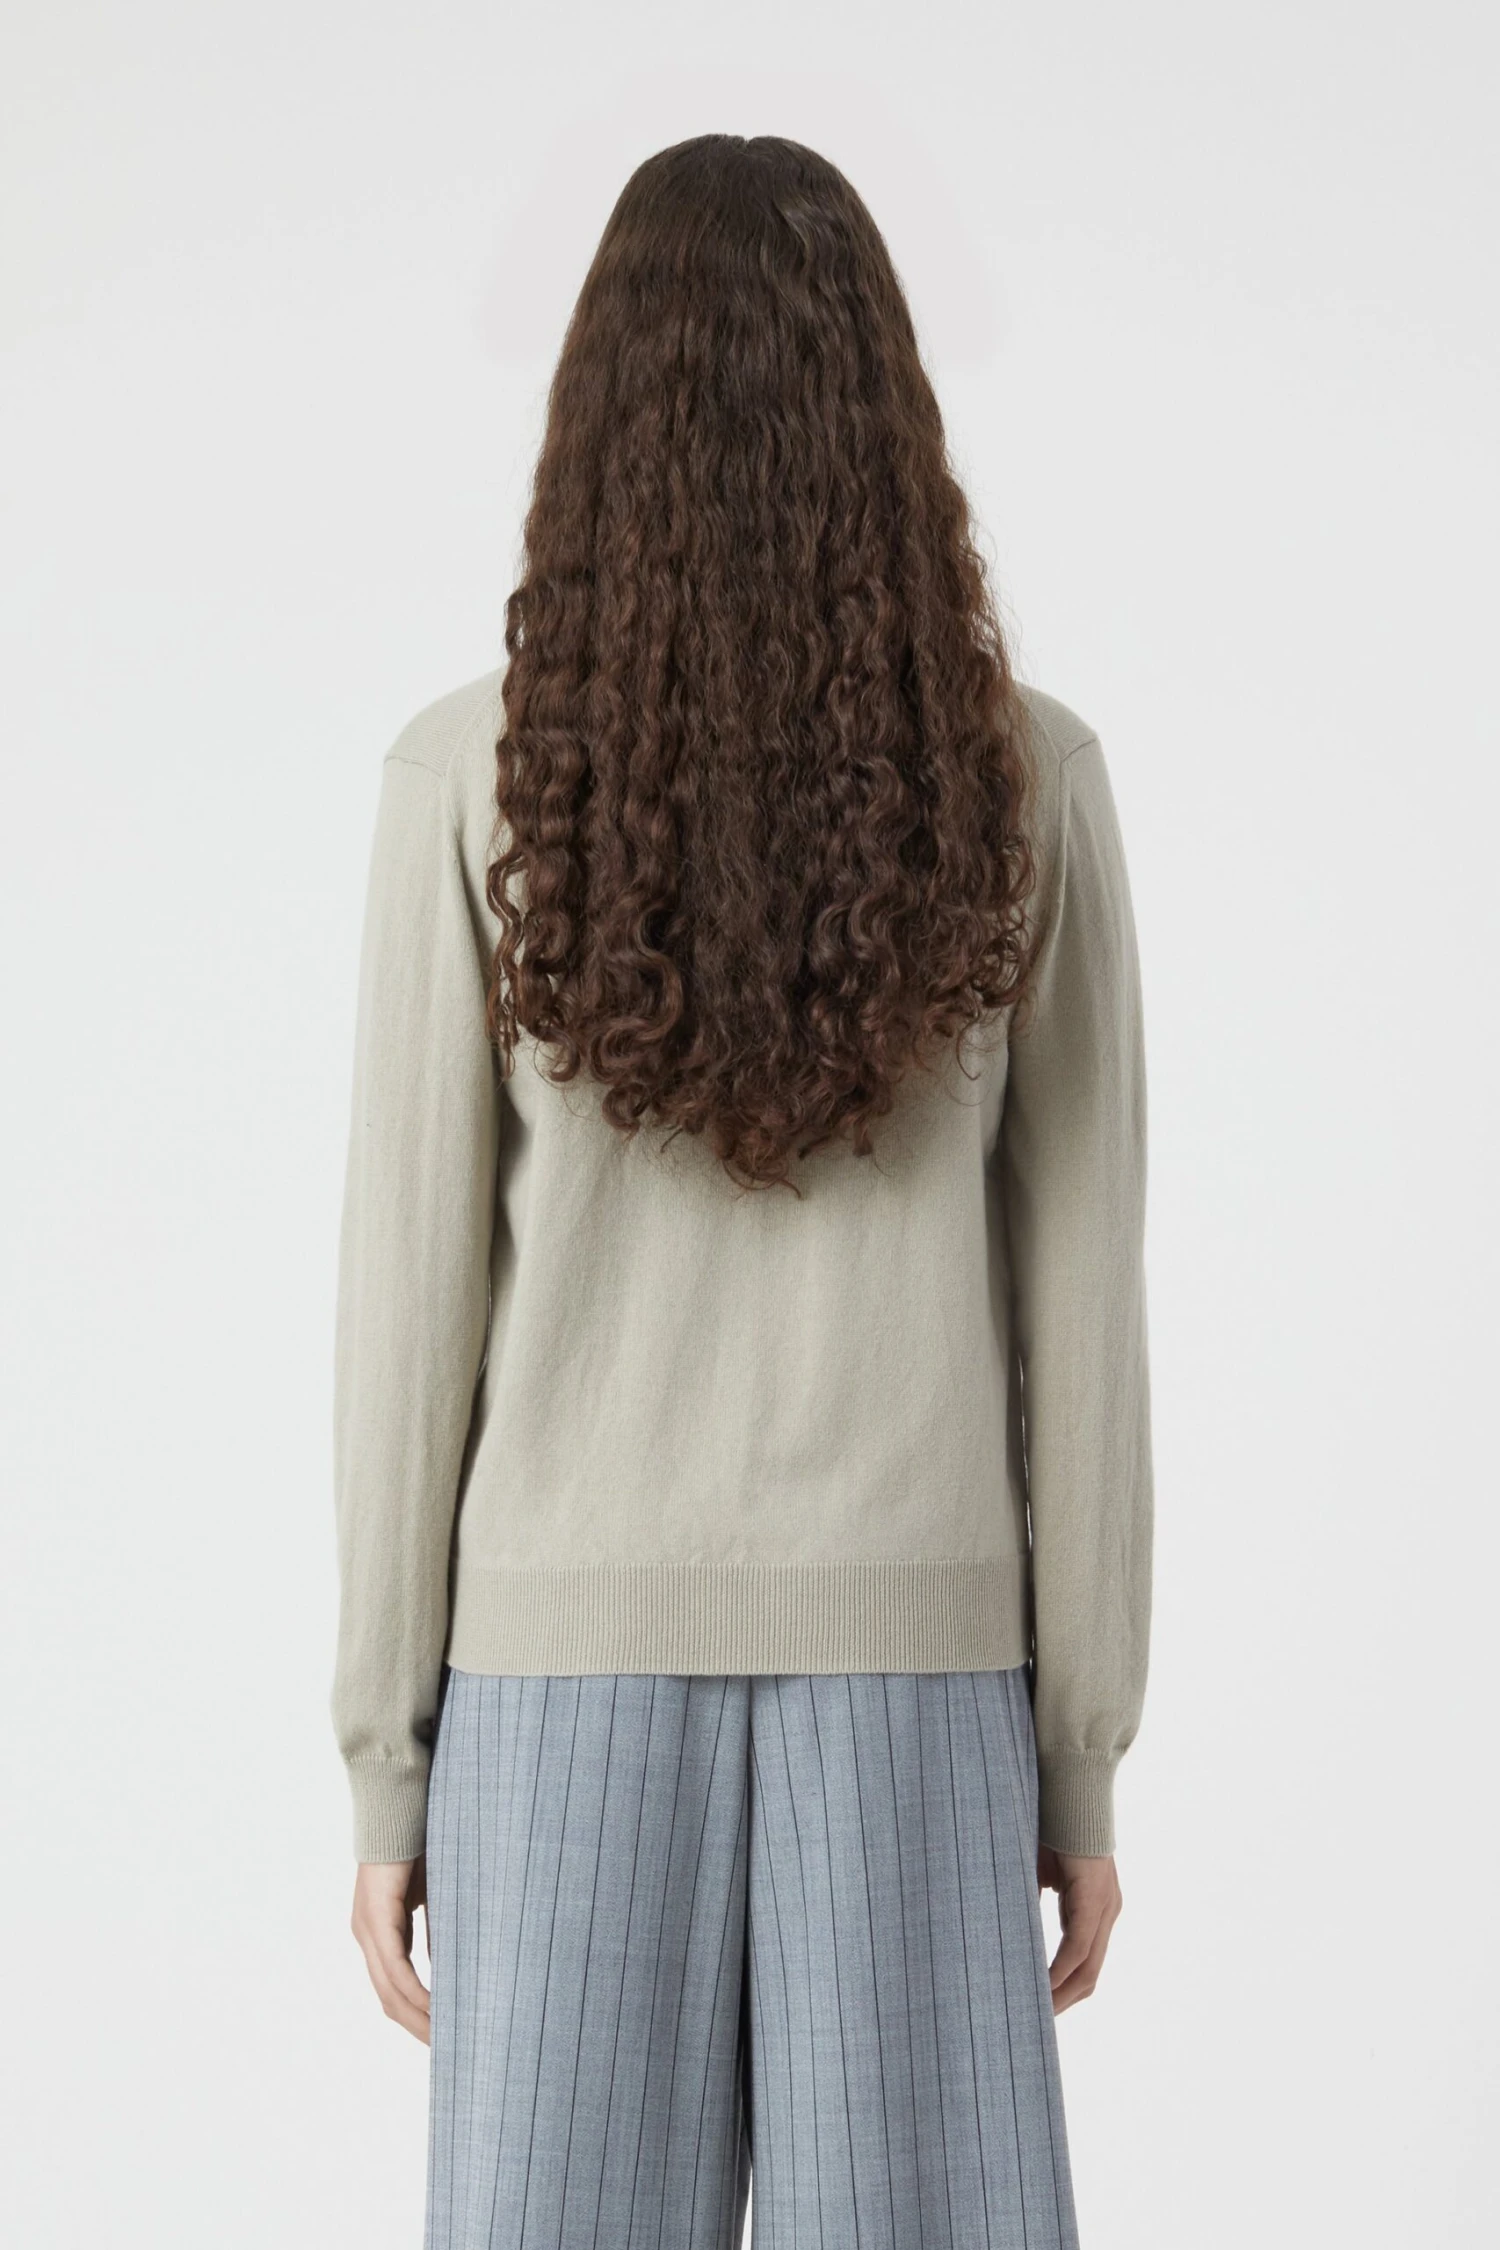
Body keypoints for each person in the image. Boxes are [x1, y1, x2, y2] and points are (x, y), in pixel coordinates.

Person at [331, 134, 1153, 2250]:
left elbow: (407, 1314)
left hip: (554, 1687)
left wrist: (387, 1759)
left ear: (597, 416)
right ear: (887, 413)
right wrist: (1078, 1754)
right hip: (924, 1686)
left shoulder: (472, 775)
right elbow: (1085, 1312)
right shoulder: (1022, 781)